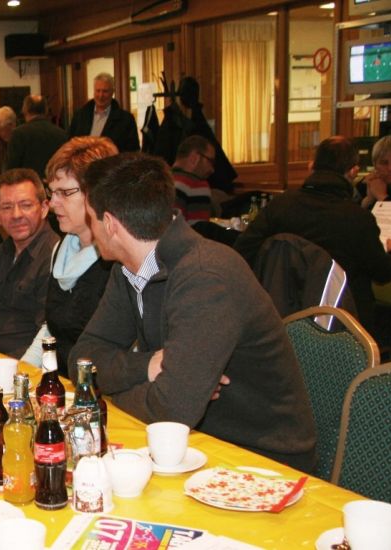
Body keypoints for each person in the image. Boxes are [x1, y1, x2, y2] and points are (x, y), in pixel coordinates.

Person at [69, 152, 317, 472]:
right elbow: (81, 361)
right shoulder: (127, 269)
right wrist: (147, 366)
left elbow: (171, 410)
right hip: (187, 446)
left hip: (261, 460)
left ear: (110, 224)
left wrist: (105, 397)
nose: (91, 230)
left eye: (91, 218)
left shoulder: (205, 276)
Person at [234, 136, 391, 345]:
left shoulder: (280, 206)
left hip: (279, 318)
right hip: (343, 326)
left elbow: (241, 252)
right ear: (352, 172)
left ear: (312, 167)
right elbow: (383, 273)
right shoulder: (357, 219)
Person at [21, 136, 117, 376]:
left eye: (64, 192)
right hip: (61, 381)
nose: (53, 203)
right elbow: (51, 330)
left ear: (97, 194)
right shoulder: (61, 249)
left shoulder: (118, 260)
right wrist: (22, 371)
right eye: (52, 192)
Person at [0, 168, 59, 358]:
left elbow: (49, 336)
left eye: (26, 205)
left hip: (23, 365)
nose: (16, 215)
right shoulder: (3, 251)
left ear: (44, 208)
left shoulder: (54, 256)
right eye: (7, 207)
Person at [69, 72, 140, 153]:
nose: (100, 95)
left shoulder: (126, 120)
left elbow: (132, 152)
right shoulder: (80, 116)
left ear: (112, 92)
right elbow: (70, 144)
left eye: (105, 91)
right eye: (98, 91)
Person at [5, 95, 68, 181]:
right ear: (46, 110)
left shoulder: (18, 134)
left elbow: (11, 168)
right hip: (53, 183)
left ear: (25, 110)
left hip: (27, 184)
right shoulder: (62, 134)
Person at [171, 135, 215, 225]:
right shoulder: (197, 185)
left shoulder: (159, 180)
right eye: (210, 161)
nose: (212, 169)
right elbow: (201, 229)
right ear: (194, 158)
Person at [356, 135, 391, 208]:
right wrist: (369, 199)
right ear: (375, 165)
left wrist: (382, 196)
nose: (390, 168)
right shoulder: (364, 185)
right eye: (384, 163)